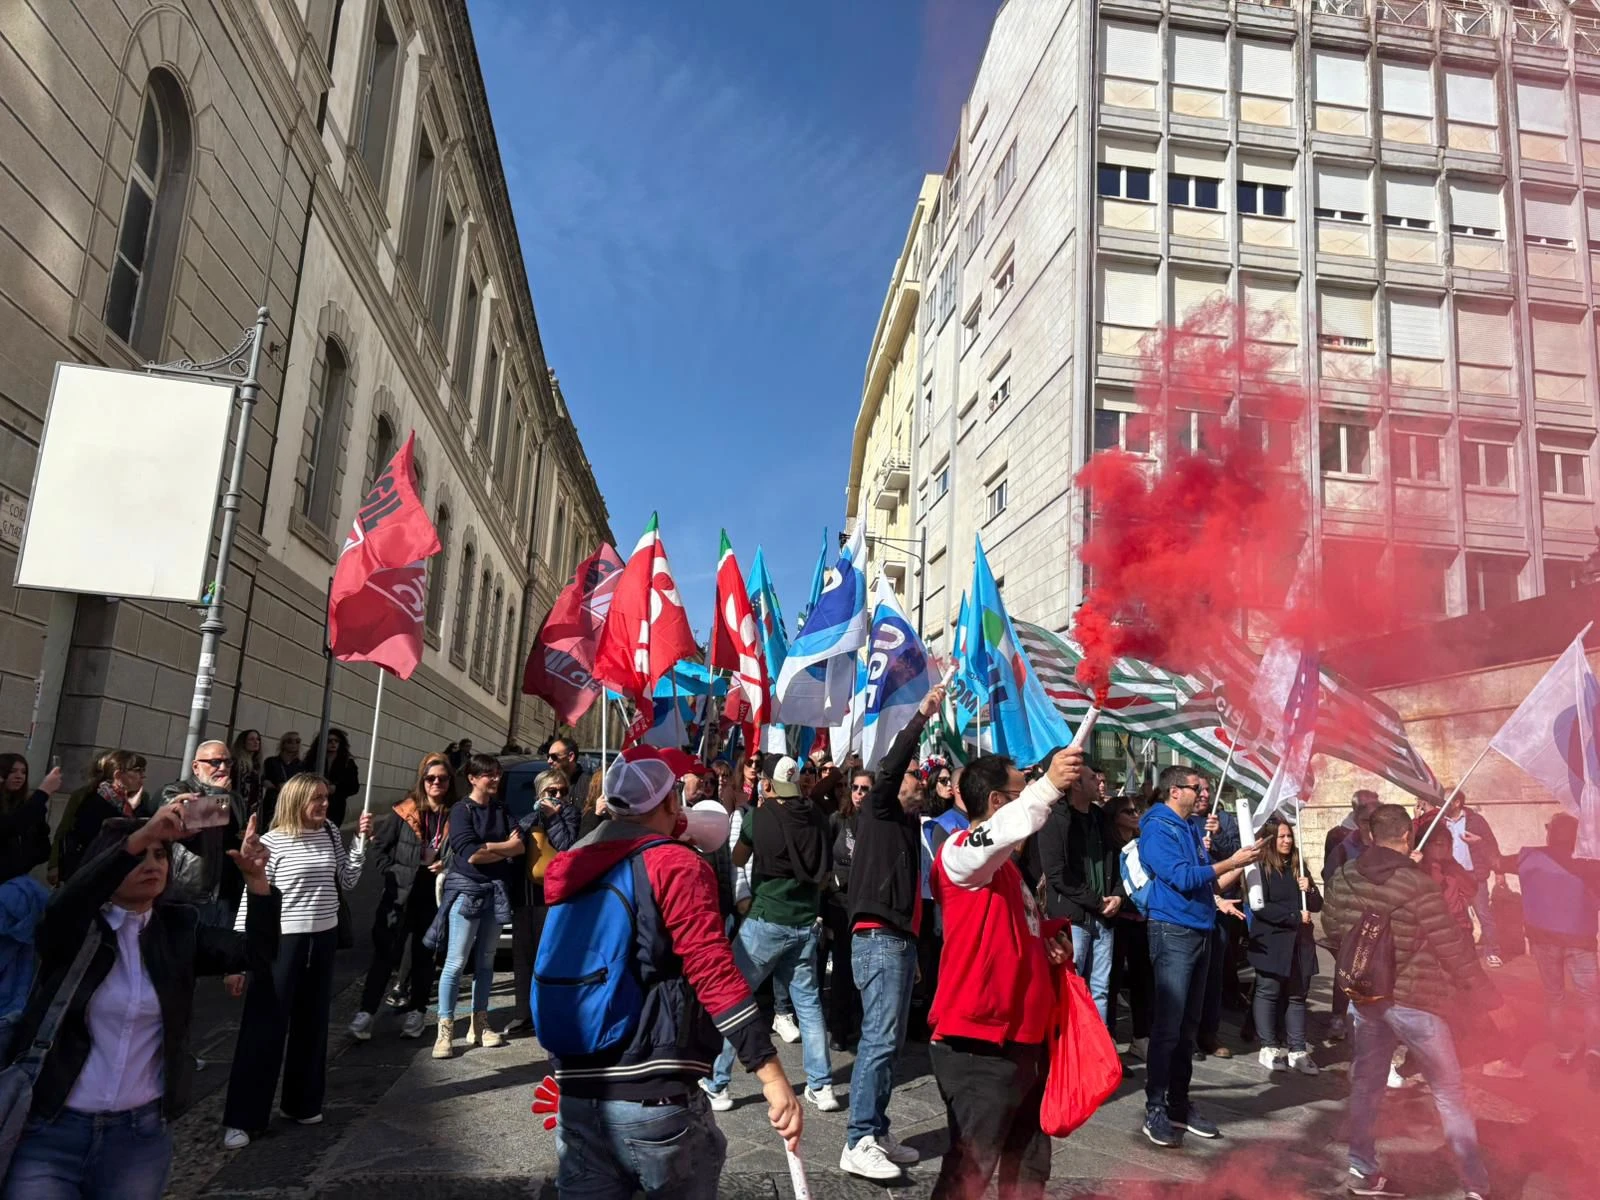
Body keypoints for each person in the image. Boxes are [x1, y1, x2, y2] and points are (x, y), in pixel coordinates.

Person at [538, 752, 801, 1198]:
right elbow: (713, 970)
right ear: (668, 805)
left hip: (577, 1091)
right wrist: (770, 1074)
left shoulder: (576, 864)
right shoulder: (673, 864)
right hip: (652, 1090)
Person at [3, 805, 277, 1199]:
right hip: (52, 1130)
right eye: (141, 856)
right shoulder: (74, 928)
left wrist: (258, 883)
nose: (153, 864)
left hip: (138, 1138)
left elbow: (257, 954)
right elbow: (70, 900)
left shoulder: (178, 930)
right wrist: (142, 836)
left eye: (161, 855)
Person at [926, 746, 1084, 1200]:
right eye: (1023, 793)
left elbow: (1019, 938)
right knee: (969, 1173)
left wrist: (1052, 945)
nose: (1037, 806)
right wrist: (1050, 785)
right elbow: (991, 839)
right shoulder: (958, 856)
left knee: (1029, 1167)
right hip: (978, 1047)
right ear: (998, 803)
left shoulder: (1012, 874)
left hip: (1024, 1046)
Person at [1324, 803, 1494, 1200]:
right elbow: (1449, 944)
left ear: (1370, 835)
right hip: (1415, 1000)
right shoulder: (1417, 884)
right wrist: (1483, 991)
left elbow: (1332, 929)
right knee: (1449, 1091)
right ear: (1406, 837)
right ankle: (1475, 1185)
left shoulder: (1345, 875)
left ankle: (1362, 1170)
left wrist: (1363, 966)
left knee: (1367, 1084)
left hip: (1366, 996)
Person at [221, 775, 370, 1149]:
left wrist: (360, 843)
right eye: (315, 799)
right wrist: (237, 960)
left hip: (323, 940)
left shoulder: (331, 833)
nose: (323, 805)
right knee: (264, 1028)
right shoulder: (271, 843)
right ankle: (243, 1118)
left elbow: (348, 881)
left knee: (313, 1024)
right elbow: (249, 903)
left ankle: (301, 1103)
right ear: (294, 801)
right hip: (280, 944)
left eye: (325, 797)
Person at [837, 689, 944, 1181]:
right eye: (914, 776)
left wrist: (916, 949)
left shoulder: (907, 825)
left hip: (898, 940)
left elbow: (911, 894)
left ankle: (876, 1130)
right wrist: (922, 714)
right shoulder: (878, 809)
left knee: (892, 1041)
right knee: (879, 1041)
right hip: (877, 939)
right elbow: (896, 760)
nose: (922, 781)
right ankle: (857, 1138)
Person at [702, 755, 836, 1114]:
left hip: (766, 920)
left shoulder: (759, 819)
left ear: (767, 784)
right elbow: (823, 875)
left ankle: (718, 1083)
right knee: (808, 1005)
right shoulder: (819, 820)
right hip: (806, 922)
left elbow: (737, 859)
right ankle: (822, 1086)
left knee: (735, 998)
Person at [1137, 765, 1261, 1148]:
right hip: (1172, 930)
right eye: (1197, 789)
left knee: (1188, 1027)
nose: (1203, 796)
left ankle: (1178, 1102)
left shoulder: (1190, 826)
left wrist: (1225, 880)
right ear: (1175, 791)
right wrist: (1230, 863)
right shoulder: (1158, 826)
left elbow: (1203, 880)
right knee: (1168, 1026)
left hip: (1200, 928)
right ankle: (1155, 1105)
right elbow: (1182, 877)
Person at [349, 753, 455, 1042]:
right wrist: (392, 872)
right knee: (384, 954)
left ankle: (417, 1011)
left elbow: (461, 852)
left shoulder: (454, 815)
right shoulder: (403, 812)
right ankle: (366, 1012)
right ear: (422, 781)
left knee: (423, 956)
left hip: (431, 892)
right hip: (399, 893)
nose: (436, 783)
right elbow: (380, 849)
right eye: (430, 778)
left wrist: (446, 864)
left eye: (442, 779)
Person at [428, 753, 521, 1059]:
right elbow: (469, 853)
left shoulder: (502, 809)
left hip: (495, 892)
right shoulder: (461, 810)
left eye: (497, 774)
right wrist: (500, 849)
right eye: (488, 775)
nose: (495, 779)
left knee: (487, 961)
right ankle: (445, 1028)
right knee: (456, 962)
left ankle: (479, 1023)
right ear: (472, 778)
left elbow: (518, 846)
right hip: (467, 892)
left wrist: (491, 848)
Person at [1503, 812, 1600, 1078]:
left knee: (1554, 997)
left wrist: (1478, 841)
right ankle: (1594, 1051)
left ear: (1550, 833)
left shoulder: (1530, 858)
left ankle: (1566, 1053)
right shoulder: (1590, 864)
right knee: (1591, 999)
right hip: (1581, 940)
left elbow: (1494, 862)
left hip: (1543, 940)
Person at [1037, 759, 1124, 1022]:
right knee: (1072, 986)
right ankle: (1071, 1050)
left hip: (1104, 917)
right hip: (1074, 918)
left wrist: (1118, 895)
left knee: (1100, 990)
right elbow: (1056, 873)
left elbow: (1116, 860)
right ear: (1075, 784)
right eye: (1092, 778)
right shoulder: (1055, 819)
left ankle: (1099, 1052)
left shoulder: (1100, 818)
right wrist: (1097, 902)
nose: (1100, 782)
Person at [506, 767, 582, 1037]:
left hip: (552, 899)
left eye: (563, 791)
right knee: (523, 958)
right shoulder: (527, 819)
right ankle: (522, 1014)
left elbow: (567, 846)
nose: (558, 796)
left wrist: (553, 818)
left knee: (548, 959)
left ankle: (547, 1013)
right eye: (552, 792)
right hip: (525, 898)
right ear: (539, 794)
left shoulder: (570, 816)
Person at [1248, 816, 1322, 1075]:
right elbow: (1259, 906)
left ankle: (1298, 1050)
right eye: (1281, 836)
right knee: (1268, 992)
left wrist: (1310, 889)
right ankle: (1269, 1047)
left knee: (1297, 995)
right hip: (1272, 942)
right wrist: (1292, 917)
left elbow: (1316, 905)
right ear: (1270, 839)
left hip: (1299, 944)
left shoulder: (1298, 866)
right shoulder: (1261, 868)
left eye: (1289, 836)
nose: (1287, 840)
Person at [156, 741, 249, 925]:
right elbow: (187, 825)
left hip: (227, 891)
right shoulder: (176, 791)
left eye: (228, 763)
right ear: (196, 767)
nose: (222, 768)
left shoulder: (235, 798)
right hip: (191, 892)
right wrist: (217, 793)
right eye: (215, 762)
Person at [1190, 775, 1242, 1060]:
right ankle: (1190, 1035)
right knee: (1191, 973)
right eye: (1200, 789)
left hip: (1221, 909)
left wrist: (1219, 835)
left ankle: (1209, 1032)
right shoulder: (1183, 821)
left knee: (1214, 974)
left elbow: (1238, 854)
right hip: (1193, 907)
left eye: (1209, 789)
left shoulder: (1224, 820)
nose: (1205, 794)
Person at [1433, 790, 1505, 967]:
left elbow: (1491, 844)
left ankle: (1492, 951)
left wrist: (1499, 871)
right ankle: (1465, 951)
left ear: (1457, 802)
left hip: (1474, 875)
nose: (1441, 804)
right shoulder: (1440, 823)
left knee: (1483, 914)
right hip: (1451, 877)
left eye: (1445, 801)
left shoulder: (1475, 821)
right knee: (1457, 916)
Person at [57, 751, 151, 884]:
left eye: (144, 770)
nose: (142, 776)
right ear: (118, 775)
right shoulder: (94, 802)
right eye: (137, 770)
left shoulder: (140, 804)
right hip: (92, 876)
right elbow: (84, 839)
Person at [1107, 796, 1154, 1057]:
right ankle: (1110, 1036)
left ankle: (1141, 1036)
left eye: (1137, 809)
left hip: (1141, 921)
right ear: (1115, 816)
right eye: (1127, 811)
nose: (1134, 814)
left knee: (1142, 981)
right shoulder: (1110, 846)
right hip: (1117, 920)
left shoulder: (1142, 845)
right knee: (1112, 981)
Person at [824, 769, 866, 1052]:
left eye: (865, 789)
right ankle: (838, 1029)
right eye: (856, 787)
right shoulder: (838, 820)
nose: (860, 793)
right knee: (841, 968)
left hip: (864, 905)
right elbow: (825, 860)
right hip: (838, 904)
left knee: (862, 969)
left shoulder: (877, 823)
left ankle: (859, 1025)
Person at [0, 753, 60, 883]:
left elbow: (43, 847)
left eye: (23, 772)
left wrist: (22, 863)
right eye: (12, 771)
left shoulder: (28, 805)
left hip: (16, 881)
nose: (19, 776)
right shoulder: (31, 807)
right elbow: (10, 826)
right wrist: (43, 791)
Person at [305, 729, 360, 829]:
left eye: (336, 741)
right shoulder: (313, 760)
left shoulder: (348, 763)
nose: (333, 743)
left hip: (336, 806)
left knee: (331, 833)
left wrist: (336, 789)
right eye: (329, 741)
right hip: (313, 802)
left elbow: (354, 787)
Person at [1325, 789, 1381, 877]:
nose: (1370, 825)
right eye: (1366, 820)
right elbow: (1330, 876)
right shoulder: (1337, 836)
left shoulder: (1387, 839)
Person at [261, 732, 304, 830]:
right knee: (268, 829)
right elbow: (265, 779)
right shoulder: (271, 761)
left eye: (297, 742)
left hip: (292, 802)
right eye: (290, 741)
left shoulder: (301, 765)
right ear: (283, 744)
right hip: (272, 802)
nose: (294, 744)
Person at [231, 729, 265, 821]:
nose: (256, 742)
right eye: (251, 739)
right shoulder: (235, 763)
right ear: (243, 742)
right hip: (237, 806)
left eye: (258, 739)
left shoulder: (257, 765)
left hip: (253, 807)